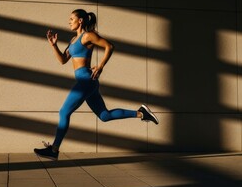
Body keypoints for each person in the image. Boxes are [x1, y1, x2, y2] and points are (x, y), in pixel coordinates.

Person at [34, 9, 159, 160]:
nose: (69, 21)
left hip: (86, 80)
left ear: (80, 20)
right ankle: (141, 113)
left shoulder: (88, 35)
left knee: (64, 112)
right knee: (104, 115)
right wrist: (54, 46)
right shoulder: (73, 40)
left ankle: (54, 149)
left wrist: (100, 66)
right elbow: (62, 60)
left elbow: (109, 46)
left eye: (71, 18)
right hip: (86, 82)